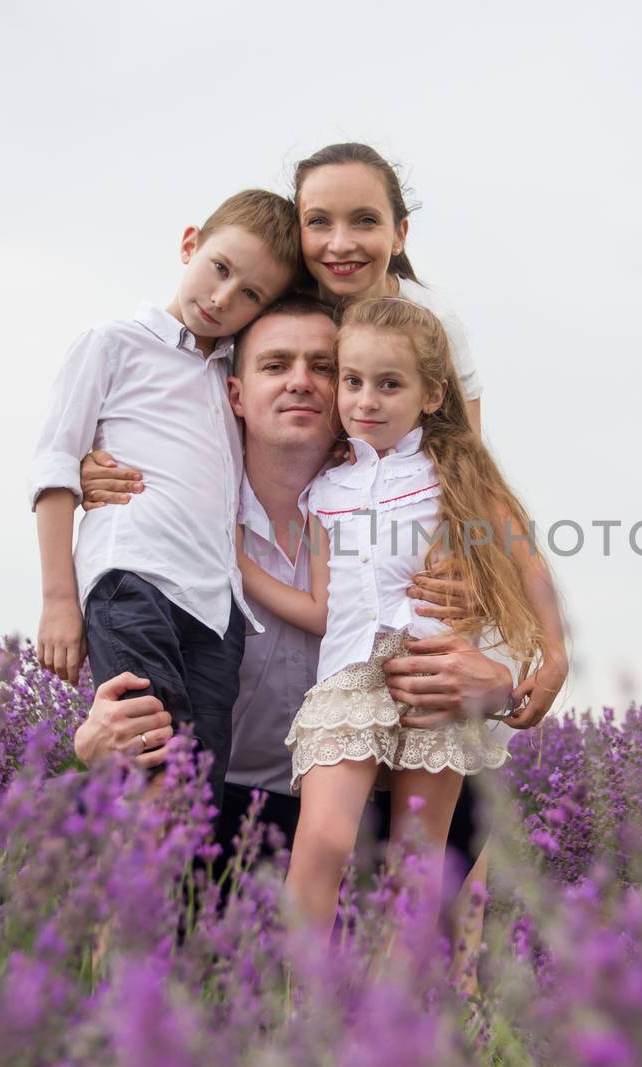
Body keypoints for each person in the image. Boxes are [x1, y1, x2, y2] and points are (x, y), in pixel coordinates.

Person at [70, 296, 523, 871]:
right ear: (235, 394)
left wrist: (503, 687)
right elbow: (125, 644)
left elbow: (513, 621)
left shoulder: (416, 511)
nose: (301, 383)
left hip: (368, 797)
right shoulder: (173, 515)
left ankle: (429, 954)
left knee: (455, 804)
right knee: (119, 815)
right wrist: (89, 742)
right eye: (275, 365)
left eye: (324, 367)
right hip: (225, 802)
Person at [238, 296, 568, 937]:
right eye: (353, 382)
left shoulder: (454, 476)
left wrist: (553, 654)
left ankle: (399, 1017)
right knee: (324, 842)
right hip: (348, 680)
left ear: (432, 394)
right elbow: (323, 609)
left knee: (419, 863)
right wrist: (239, 565)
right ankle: (301, 1006)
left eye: (390, 385)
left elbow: (529, 566)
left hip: (432, 679)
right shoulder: (325, 490)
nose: (366, 400)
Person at [30, 189, 303, 809]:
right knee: (152, 766)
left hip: (216, 609)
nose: (223, 298)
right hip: (135, 580)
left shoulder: (239, 376)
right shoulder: (113, 343)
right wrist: (58, 602)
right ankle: (96, 888)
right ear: (190, 245)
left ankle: (158, 900)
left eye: (251, 295)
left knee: (195, 795)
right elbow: (52, 468)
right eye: (220, 268)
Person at [293, 142, 484, 434]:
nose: (341, 244)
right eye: (318, 221)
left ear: (399, 234)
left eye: (365, 221)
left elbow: (467, 447)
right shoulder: (278, 318)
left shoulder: (434, 319)